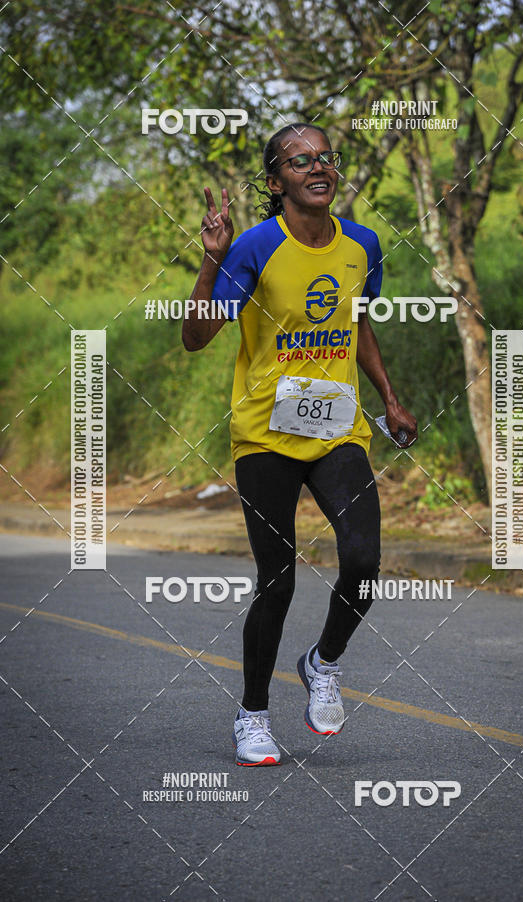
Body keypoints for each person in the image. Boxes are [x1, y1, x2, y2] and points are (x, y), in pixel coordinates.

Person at [182, 123, 417, 766]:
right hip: (266, 436)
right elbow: (196, 338)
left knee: (364, 561)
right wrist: (212, 258)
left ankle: (323, 662)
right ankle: (253, 715)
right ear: (276, 180)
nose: (317, 167)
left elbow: (357, 322)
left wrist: (390, 397)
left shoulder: (362, 244)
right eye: (299, 160)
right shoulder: (255, 246)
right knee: (278, 580)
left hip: (339, 429)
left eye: (325, 158)